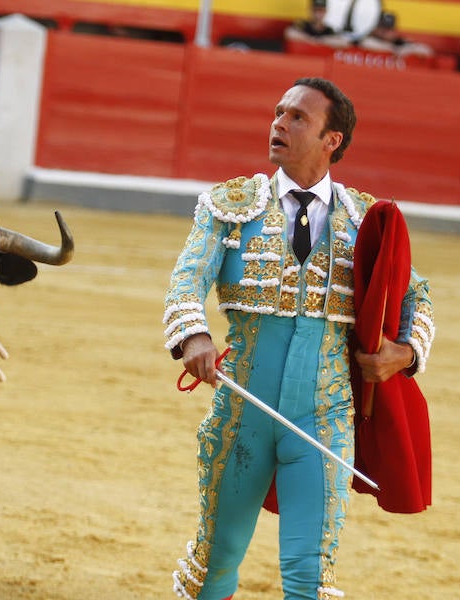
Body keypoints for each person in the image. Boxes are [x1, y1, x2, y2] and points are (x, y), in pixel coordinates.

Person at [163, 77, 435, 600]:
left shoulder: (364, 220)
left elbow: (415, 298)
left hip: (324, 422)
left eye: (297, 118)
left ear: (332, 139)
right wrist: (193, 335)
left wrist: (402, 353)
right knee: (214, 566)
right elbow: (187, 278)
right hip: (241, 413)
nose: (279, 124)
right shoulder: (229, 205)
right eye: (278, 113)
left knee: (311, 578)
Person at [358, 11, 433, 57]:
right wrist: (394, 50)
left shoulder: (400, 42)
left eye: (389, 29)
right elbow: (367, 43)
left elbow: (427, 51)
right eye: (382, 28)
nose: (385, 32)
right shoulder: (362, 39)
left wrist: (410, 50)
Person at [285, 0, 351, 49]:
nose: (317, 14)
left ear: (325, 12)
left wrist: (322, 40)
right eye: (315, 10)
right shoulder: (303, 25)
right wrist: (311, 40)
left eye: (321, 11)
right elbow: (289, 33)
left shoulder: (328, 30)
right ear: (310, 10)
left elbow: (344, 43)